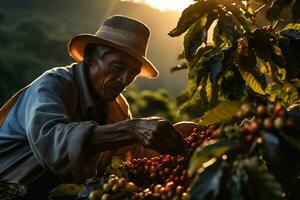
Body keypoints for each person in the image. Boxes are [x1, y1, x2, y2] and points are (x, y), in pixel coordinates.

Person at [0, 15, 199, 199]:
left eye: (132, 73)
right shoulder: (53, 84)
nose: (124, 80)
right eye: (118, 67)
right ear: (90, 57)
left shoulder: (117, 108)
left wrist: (182, 137)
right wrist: (132, 128)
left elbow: (131, 158)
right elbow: (52, 142)